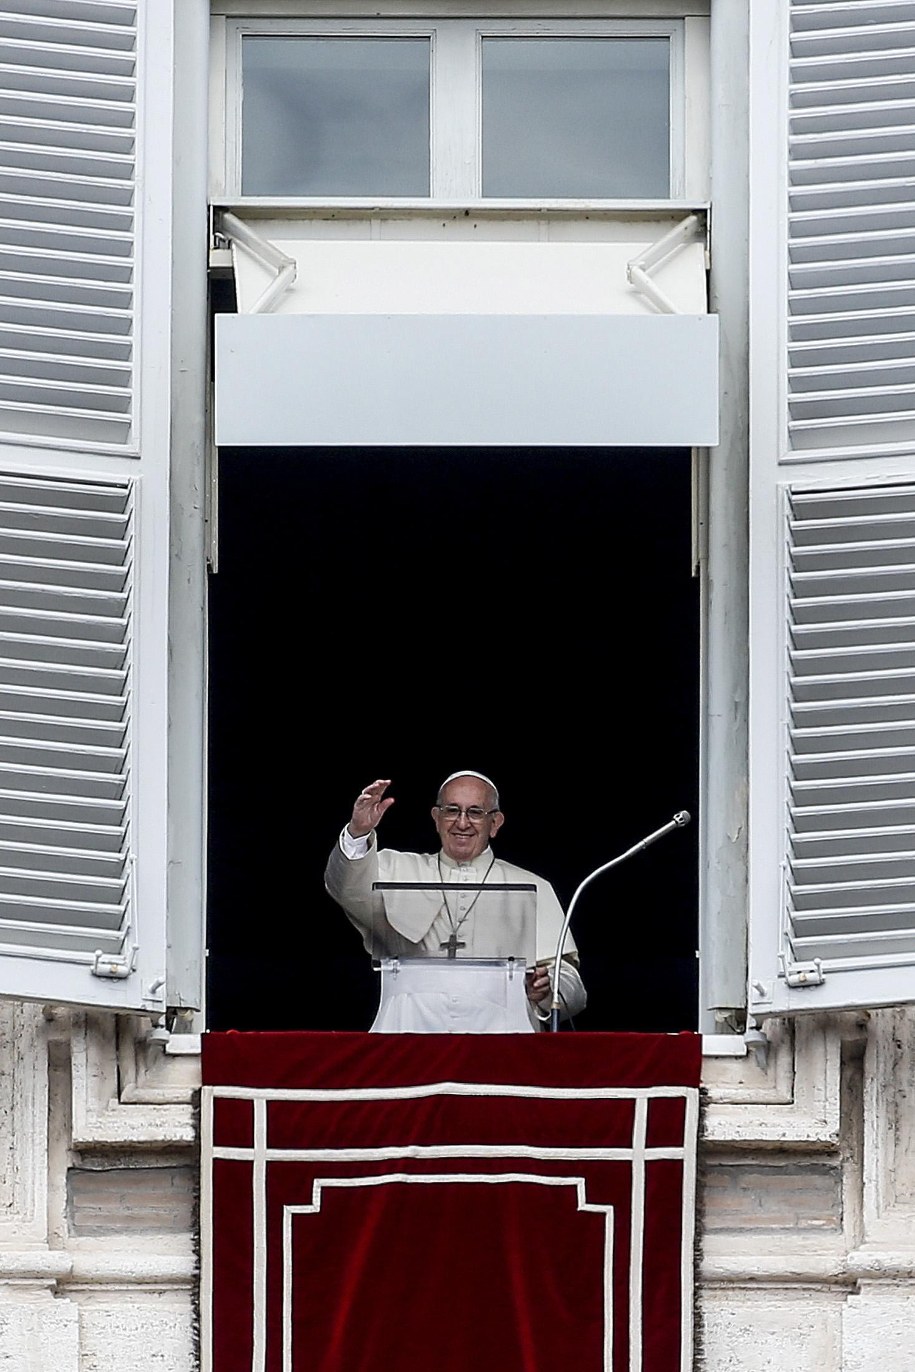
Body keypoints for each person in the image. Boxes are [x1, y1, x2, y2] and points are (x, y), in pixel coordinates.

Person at [324, 772, 586, 1030]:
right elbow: (345, 888)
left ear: (495, 823)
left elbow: (572, 985)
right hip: (410, 1037)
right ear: (436, 819)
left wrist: (548, 986)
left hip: (501, 1042)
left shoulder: (534, 887)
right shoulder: (395, 869)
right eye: (452, 810)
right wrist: (358, 832)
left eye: (475, 812)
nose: (462, 823)